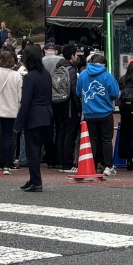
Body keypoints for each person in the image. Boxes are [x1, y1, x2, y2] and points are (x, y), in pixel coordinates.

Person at [14, 45, 53, 192]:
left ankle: (36, 181)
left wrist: (18, 123)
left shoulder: (30, 77)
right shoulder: (46, 74)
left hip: (33, 116)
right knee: (37, 149)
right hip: (46, 114)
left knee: (32, 151)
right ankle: (33, 179)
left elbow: (26, 102)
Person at [76, 53, 120, 176]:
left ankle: (92, 165)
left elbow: (78, 92)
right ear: (103, 64)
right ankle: (108, 166)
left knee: (92, 140)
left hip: (89, 113)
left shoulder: (83, 74)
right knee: (106, 140)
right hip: (105, 112)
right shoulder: (107, 75)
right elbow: (115, 93)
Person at [53, 43, 81, 172]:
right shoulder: (72, 70)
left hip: (58, 104)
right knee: (70, 135)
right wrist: (79, 109)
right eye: (76, 54)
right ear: (72, 56)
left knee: (61, 133)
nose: (77, 57)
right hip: (70, 107)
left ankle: (61, 162)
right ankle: (68, 163)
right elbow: (75, 92)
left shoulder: (58, 68)